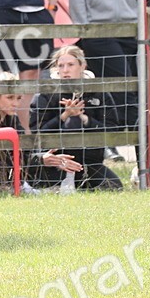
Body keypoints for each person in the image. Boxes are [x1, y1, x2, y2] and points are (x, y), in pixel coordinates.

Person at [28, 46, 124, 191]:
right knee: (48, 191)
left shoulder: (98, 92)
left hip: (90, 163)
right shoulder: (45, 93)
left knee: (114, 187)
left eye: (70, 65)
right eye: (61, 65)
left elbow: (112, 129)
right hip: (56, 163)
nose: (65, 70)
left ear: (82, 66)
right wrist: (64, 116)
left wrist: (84, 118)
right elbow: (38, 132)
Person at [0, 71, 84, 194]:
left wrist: (45, 158)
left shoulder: (12, 118)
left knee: (57, 172)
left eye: (19, 98)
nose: (16, 103)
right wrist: (40, 159)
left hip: (10, 173)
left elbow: (26, 151)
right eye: (10, 97)